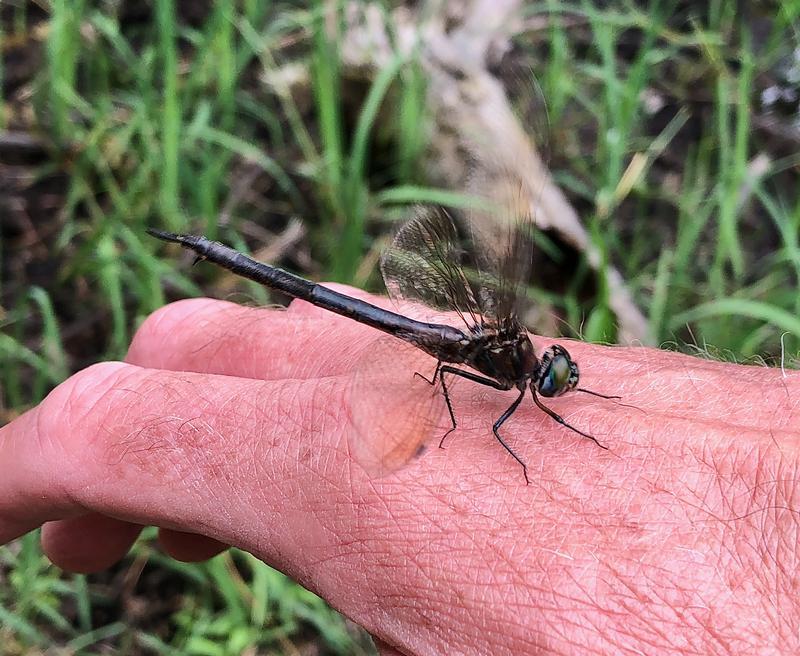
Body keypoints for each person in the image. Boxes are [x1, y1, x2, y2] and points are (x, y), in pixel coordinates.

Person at [1, 290, 798, 655]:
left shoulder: (522, 363)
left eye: (556, 370)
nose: (556, 374)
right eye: (554, 373)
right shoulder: (504, 376)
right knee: (452, 388)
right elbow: (461, 387)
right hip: (437, 355)